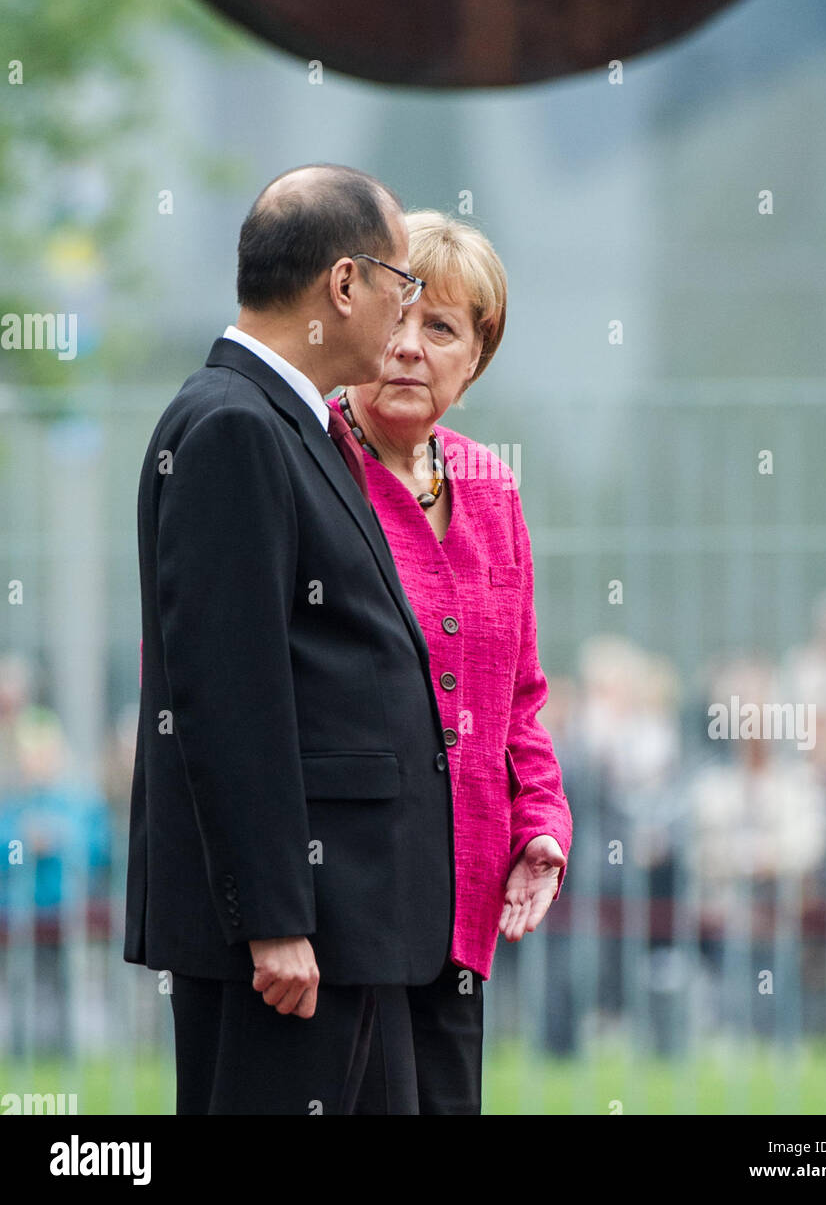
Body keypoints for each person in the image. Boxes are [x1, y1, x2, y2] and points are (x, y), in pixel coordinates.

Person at [126, 164, 456, 1114]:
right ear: (344, 285)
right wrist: (274, 919)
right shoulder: (235, 426)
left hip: (348, 925)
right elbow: (229, 694)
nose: (407, 316)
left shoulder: (289, 425)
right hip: (291, 944)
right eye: (403, 286)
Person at [327, 210, 572, 1114]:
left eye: (441, 329)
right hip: (339, 909)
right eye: (396, 318)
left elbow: (520, 699)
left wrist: (540, 825)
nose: (408, 347)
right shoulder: (308, 463)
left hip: (463, 912)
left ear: (475, 362)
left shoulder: (492, 489)